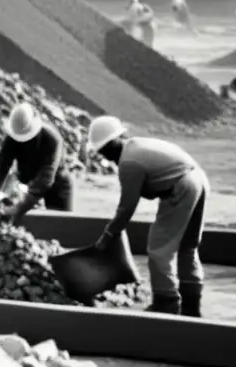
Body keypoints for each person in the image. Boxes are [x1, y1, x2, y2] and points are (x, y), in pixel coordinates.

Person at [88, 115, 209, 316]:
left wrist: (108, 236)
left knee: (159, 248)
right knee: (187, 246)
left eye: (104, 150)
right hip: (198, 179)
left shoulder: (129, 163)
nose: (104, 156)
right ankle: (192, 306)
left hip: (182, 186)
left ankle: (166, 301)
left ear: (113, 142)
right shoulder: (136, 145)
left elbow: (126, 207)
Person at [0, 103, 74, 225]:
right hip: (27, 179)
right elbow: (2, 165)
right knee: (17, 222)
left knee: (60, 226)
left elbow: (46, 176)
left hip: (57, 183)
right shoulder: (12, 137)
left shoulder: (52, 138)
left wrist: (20, 206)